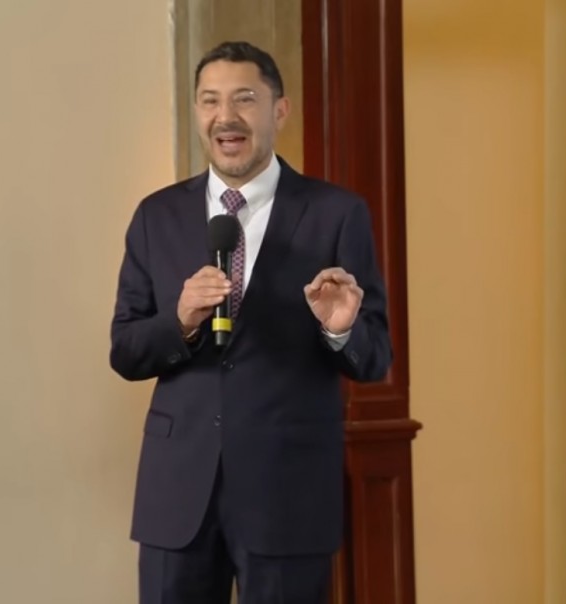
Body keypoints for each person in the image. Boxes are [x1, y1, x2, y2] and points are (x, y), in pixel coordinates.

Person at [109, 40, 392, 604]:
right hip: (178, 496)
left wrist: (339, 330)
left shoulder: (337, 214)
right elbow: (126, 349)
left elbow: (376, 357)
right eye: (210, 100)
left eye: (244, 99)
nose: (226, 117)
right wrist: (180, 321)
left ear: (278, 110)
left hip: (287, 496)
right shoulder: (156, 216)